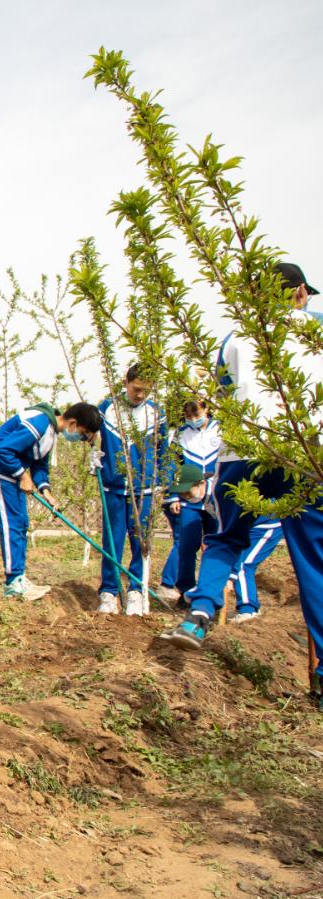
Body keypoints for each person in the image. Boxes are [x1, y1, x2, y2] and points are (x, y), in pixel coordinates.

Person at [161, 261, 323, 713]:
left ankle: (200, 612)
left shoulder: (233, 338)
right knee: (314, 560)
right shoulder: (316, 328)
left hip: (242, 453)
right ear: (297, 294)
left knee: (226, 537)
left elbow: (227, 391)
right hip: (304, 452)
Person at [0, 402, 102, 599]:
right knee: (11, 523)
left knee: (21, 523)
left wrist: (46, 491)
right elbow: (3, 450)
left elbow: (39, 464)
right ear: (72, 422)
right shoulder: (39, 424)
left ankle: (19, 577)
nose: (80, 438)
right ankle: (13, 583)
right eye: (82, 432)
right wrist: (22, 476)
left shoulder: (51, 432)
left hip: (11, 473)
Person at [94, 363, 168, 617]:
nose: (140, 395)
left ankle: (136, 591)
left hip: (143, 489)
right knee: (112, 540)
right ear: (126, 383)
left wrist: (162, 479)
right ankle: (109, 592)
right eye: (136, 389)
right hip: (113, 486)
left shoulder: (156, 413)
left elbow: (163, 450)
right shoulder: (107, 408)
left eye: (146, 391)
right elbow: (91, 435)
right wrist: (96, 456)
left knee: (140, 541)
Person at [159, 397, 220, 601]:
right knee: (187, 545)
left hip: (215, 498)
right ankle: (185, 590)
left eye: (197, 414)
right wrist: (172, 496)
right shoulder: (180, 434)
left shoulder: (221, 431)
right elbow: (169, 465)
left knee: (217, 545)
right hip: (189, 497)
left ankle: (212, 589)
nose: (193, 418)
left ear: (206, 408)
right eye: (189, 415)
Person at [159, 463, 214, 597]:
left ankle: (210, 591)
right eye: (182, 494)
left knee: (215, 549)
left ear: (201, 484)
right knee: (186, 546)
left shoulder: (218, 494)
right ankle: (187, 591)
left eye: (187, 492)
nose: (185, 497)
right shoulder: (198, 497)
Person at [226, 520, 284, 623]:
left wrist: (231, 577)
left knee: (243, 565)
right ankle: (250, 608)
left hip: (266, 525)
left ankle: (248, 610)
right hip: (250, 524)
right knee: (240, 563)